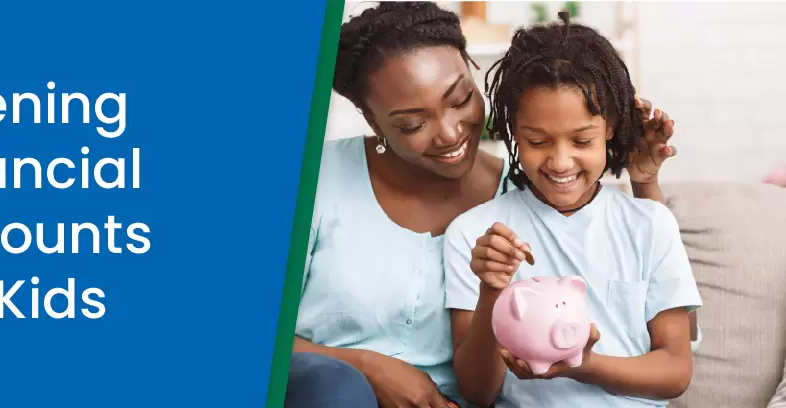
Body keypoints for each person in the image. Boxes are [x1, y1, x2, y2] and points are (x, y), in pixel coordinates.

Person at [286, 3, 678, 408]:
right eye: (412, 124)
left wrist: (643, 179)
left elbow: (656, 319)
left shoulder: (530, 191)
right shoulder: (315, 178)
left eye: (460, 99)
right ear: (372, 120)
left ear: (473, 68)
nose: (450, 134)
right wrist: (367, 367)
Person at [443, 11, 701, 408]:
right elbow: (477, 393)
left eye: (581, 141)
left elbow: (675, 371)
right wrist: (492, 290)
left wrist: (582, 364)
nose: (561, 163)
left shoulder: (649, 223)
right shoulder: (476, 235)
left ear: (611, 126)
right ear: (513, 129)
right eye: (538, 141)